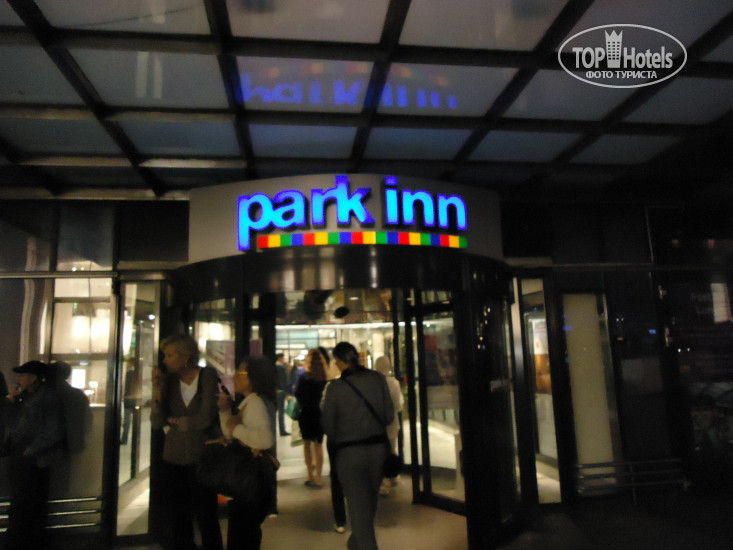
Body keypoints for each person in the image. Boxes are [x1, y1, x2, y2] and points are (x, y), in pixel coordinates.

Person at [151, 333, 223, 550]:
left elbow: (206, 417)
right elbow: (157, 421)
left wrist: (178, 423)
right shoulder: (170, 382)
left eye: (170, 355)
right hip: (173, 457)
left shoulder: (207, 375)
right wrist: (157, 392)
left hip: (202, 455)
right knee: (179, 514)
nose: (165, 360)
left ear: (185, 357)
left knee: (206, 513)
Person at [321, 342, 394, 550]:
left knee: (359, 509)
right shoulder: (378, 379)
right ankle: (356, 543)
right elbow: (389, 415)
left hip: (349, 454)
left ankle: (361, 544)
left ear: (339, 361)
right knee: (369, 506)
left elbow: (328, 426)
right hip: (378, 451)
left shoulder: (335, 388)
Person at [217, 356, 276, 550]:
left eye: (240, 372)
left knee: (242, 537)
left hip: (251, 483)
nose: (235, 376)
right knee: (245, 535)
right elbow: (230, 430)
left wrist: (236, 429)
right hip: (250, 484)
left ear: (254, 377)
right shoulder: (251, 402)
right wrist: (225, 411)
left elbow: (265, 439)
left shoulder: (256, 403)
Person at [4, 360, 64, 550]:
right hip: (25, 456)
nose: (20, 379)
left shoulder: (46, 397)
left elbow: (53, 430)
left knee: (28, 503)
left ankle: (23, 541)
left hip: (33, 459)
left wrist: (30, 450)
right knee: (22, 502)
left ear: (33, 378)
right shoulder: (29, 397)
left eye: (23, 375)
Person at [321, 348, 347, 534]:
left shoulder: (331, 387)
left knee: (337, 478)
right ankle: (360, 515)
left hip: (337, 439)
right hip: (353, 437)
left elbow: (324, 410)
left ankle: (340, 520)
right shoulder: (359, 385)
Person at [294, 348, 328, 488]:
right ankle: (319, 476)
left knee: (307, 444)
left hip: (306, 413)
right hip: (319, 414)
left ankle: (310, 475)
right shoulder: (324, 378)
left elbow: (297, 393)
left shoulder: (304, 377)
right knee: (318, 444)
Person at [374, 356, 404, 496]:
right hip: (392, 422)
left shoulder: (373, 383)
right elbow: (398, 405)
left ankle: (384, 481)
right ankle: (393, 475)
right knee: (392, 449)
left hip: (376, 423)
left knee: (379, 452)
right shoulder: (394, 383)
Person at [48, 361, 92, 454]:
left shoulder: (49, 395)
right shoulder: (78, 394)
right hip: (74, 444)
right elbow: (88, 420)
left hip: (52, 447)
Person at [120, 360, 141, 445]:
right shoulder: (137, 373)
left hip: (128, 398)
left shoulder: (129, 373)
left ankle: (124, 439)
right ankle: (136, 439)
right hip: (134, 399)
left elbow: (128, 387)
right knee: (135, 420)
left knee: (127, 420)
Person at [275, 353, 291, 436]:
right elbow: (283, 380)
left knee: (276, 411)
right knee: (281, 411)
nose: (283, 359)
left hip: (276, 391)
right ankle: (282, 430)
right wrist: (284, 389)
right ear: (280, 358)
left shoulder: (275, 366)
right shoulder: (280, 367)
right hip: (280, 391)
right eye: (283, 358)